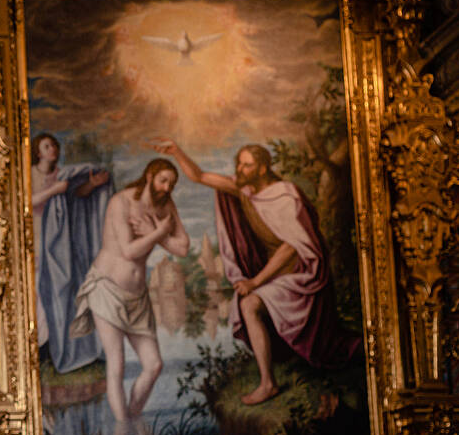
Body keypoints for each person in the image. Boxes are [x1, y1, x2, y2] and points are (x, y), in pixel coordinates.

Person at [153, 140, 361, 405]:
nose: (240, 168)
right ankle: (268, 380)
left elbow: (290, 248)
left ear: (262, 169)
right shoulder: (246, 190)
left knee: (250, 303)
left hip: (303, 272)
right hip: (279, 273)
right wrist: (177, 152)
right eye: (239, 162)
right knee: (249, 304)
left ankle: (268, 384)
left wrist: (255, 281)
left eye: (247, 164)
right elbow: (201, 176)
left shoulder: (284, 197)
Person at [69, 159, 189, 435]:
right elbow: (129, 250)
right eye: (163, 180)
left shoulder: (165, 207)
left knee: (154, 364)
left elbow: (183, 248)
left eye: (172, 183)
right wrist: (160, 233)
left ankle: (132, 419)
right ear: (149, 176)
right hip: (107, 288)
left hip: (137, 297)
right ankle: (123, 429)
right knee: (117, 364)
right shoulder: (121, 202)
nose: (167, 187)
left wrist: (153, 229)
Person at [30, 133, 110, 373]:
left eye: (54, 144)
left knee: (62, 294)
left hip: (60, 242)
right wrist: (54, 191)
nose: (53, 148)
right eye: (47, 146)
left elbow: (77, 195)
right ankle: (42, 348)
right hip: (36, 240)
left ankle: (65, 348)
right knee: (40, 295)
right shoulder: (29, 174)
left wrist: (92, 185)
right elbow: (25, 202)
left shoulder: (62, 174)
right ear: (38, 152)